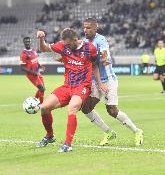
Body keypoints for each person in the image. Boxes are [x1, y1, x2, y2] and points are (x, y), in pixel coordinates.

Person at [36, 28, 108, 152]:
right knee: (44, 107)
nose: (67, 46)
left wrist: (100, 82)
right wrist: (41, 38)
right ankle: (50, 136)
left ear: (75, 39)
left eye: (69, 44)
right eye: (65, 44)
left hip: (82, 86)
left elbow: (95, 64)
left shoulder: (89, 48)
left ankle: (67, 144)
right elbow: (43, 49)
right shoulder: (63, 46)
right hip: (67, 86)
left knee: (72, 107)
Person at [81, 17, 143, 146]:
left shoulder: (101, 39)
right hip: (95, 81)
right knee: (86, 108)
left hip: (108, 80)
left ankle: (137, 131)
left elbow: (104, 52)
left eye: (88, 28)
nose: (85, 30)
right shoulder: (84, 42)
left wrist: (104, 58)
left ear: (95, 27)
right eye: (84, 27)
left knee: (112, 110)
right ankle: (109, 132)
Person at [20, 37, 45, 104]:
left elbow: (36, 61)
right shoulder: (23, 54)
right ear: (24, 43)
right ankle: (41, 104)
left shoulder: (34, 51)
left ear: (30, 42)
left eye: (28, 41)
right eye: (26, 42)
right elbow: (22, 68)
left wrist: (40, 66)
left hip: (37, 72)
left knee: (42, 89)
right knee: (42, 89)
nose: (27, 43)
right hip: (31, 75)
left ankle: (35, 101)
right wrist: (33, 72)